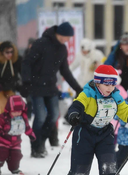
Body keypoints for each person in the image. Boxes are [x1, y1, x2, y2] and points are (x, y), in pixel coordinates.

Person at [62, 65, 128, 175]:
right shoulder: (88, 93)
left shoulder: (115, 96)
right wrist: (74, 114)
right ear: (97, 82)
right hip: (84, 133)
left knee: (109, 165)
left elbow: (125, 112)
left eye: (112, 84)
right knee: (81, 167)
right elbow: (77, 105)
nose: (110, 88)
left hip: (104, 133)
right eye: (106, 84)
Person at [21, 22, 83, 158]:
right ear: (58, 33)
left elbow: (65, 71)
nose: (67, 40)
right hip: (36, 87)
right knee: (40, 117)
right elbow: (27, 62)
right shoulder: (41, 43)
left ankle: (41, 141)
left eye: (68, 38)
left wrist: (77, 88)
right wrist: (25, 82)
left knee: (54, 116)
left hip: (50, 88)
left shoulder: (62, 49)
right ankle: (36, 148)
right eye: (66, 37)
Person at [0, 96, 36, 175]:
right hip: (3, 141)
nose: (17, 113)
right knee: (2, 155)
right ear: (9, 109)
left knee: (16, 156)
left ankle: (14, 168)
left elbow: (27, 127)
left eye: (19, 111)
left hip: (16, 142)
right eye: (14, 111)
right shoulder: (4, 117)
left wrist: (30, 134)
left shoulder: (23, 118)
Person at [0, 41, 22, 113]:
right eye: (7, 52)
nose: (10, 54)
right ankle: (3, 123)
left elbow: (22, 72)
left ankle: (10, 122)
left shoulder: (16, 60)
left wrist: (20, 83)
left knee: (15, 106)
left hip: (9, 87)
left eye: (11, 52)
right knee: (4, 106)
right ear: (2, 52)